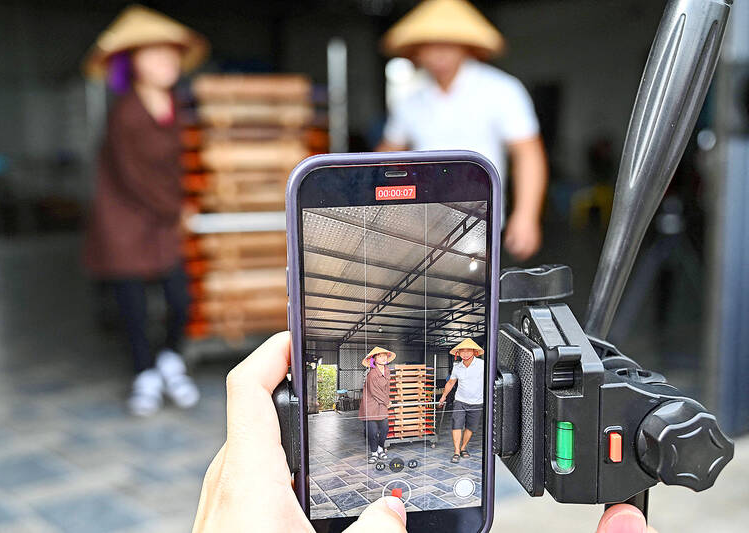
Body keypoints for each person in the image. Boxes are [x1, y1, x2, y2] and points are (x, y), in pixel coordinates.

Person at [193, 331, 656, 533]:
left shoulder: (403, 376)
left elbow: (417, 385)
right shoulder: (389, 374)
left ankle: (449, 455)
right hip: (387, 413)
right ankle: (395, 454)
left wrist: (420, 397)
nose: (381, 363)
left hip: (463, 409)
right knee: (377, 435)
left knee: (457, 431)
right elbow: (442, 383)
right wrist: (438, 396)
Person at [82, 5, 209, 416]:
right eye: (155, 55)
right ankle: (145, 374)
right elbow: (134, 178)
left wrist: (180, 204)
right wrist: (177, 210)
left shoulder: (174, 106)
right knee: (133, 307)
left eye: (170, 54)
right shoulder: (126, 113)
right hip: (123, 221)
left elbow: (173, 168)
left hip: (160, 219)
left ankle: (169, 361)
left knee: (179, 298)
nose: (167, 62)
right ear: (133, 64)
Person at [377, 0, 549, 262]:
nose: (438, 55)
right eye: (429, 46)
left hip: (481, 222)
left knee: (476, 299)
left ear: (465, 46)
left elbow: (528, 153)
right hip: (422, 225)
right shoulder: (410, 100)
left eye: (447, 45)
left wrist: (526, 216)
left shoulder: (502, 89)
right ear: (416, 52)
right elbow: (387, 154)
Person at [438, 338, 485, 463]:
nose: (465, 353)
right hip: (460, 400)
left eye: (468, 350)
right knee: (456, 425)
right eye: (462, 351)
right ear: (458, 353)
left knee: (471, 427)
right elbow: (451, 383)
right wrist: (443, 397)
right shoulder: (457, 367)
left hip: (477, 402)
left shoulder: (482, 365)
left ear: (474, 352)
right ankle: (456, 451)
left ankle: (463, 447)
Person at [358, 346, 396, 464]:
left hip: (382, 404)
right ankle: (374, 453)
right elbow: (375, 392)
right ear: (374, 359)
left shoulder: (387, 370)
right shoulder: (372, 374)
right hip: (370, 405)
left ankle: (380, 448)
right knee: (373, 431)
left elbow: (386, 389)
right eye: (380, 356)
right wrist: (387, 402)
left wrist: (387, 400)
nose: (383, 358)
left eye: (384, 355)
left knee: (385, 429)